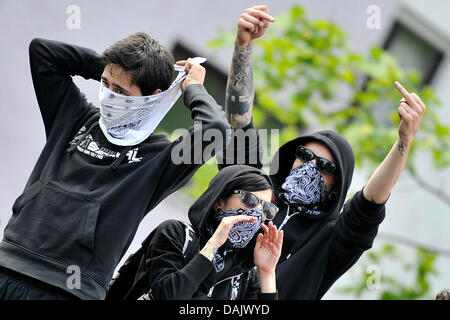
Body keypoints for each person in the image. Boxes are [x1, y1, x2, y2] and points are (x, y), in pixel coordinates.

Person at [0, 33, 230, 300]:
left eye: (120, 91)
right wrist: (116, 66)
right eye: (105, 84)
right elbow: (44, 53)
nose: (109, 95)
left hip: (70, 290)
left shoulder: (160, 158)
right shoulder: (75, 116)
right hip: (8, 264)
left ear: (153, 97)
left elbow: (214, 129)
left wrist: (191, 88)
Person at [220, 5, 427, 299]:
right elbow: (239, 122)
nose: (309, 167)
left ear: (335, 189)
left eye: (325, 168)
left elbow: (368, 205)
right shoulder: (254, 192)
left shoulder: (327, 241)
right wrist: (243, 47)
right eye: (305, 156)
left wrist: (404, 142)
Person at [113, 165, 283, 300]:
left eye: (266, 208)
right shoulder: (176, 234)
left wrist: (267, 272)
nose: (257, 213)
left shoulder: (245, 274)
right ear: (219, 202)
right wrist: (214, 245)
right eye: (250, 200)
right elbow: (169, 295)